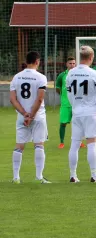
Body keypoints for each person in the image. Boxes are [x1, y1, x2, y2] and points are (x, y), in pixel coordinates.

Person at [67, 46, 96, 183]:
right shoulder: (94, 74)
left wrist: (76, 106)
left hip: (76, 112)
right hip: (91, 112)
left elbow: (69, 95)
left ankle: (73, 175)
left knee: (74, 144)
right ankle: (94, 175)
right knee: (91, 143)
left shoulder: (70, 73)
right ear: (91, 58)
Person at [9, 51, 50, 184]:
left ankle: (16, 177)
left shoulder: (16, 77)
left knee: (19, 146)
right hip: (37, 116)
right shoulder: (41, 77)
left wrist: (24, 114)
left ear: (26, 61)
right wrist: (31, 116)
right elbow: (39, 99)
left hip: (22, 117)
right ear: (37, 61)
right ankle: (39, 177)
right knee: (39, 144)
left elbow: (12, 100)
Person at [55, 57, 76, 149]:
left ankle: (79, 142)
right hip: (65, 104)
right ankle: (62, 142)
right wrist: (64, 97)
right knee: (63, 123)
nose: (72, 65)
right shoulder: (61, 75)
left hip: (76, 104)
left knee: (77, 124)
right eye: (70, 63)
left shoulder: (78, 75)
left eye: (73, 63)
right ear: (66, 64)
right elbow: (58, 88)